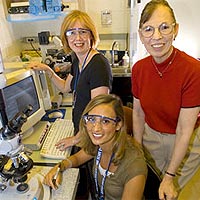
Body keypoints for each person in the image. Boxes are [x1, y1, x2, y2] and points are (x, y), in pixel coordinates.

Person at [131, 0, 200, 199]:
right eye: (148, 29)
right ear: (141, 34)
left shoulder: (193, 70)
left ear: (175, 30)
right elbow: (138, 112)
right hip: (151, 138)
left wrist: (170, 177)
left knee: (171, 191)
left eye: (164, 27)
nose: (157, 37)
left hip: (185, 142)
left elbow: (183, 129)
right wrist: (137, 146)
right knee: (153, 187)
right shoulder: (139, 69)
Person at [29, 10, 112, 150]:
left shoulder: (98, 64)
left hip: (92, 138)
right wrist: (48, 70)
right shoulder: (77, 60)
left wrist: (76, 139)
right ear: (65, 37)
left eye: (83, 32)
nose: (77, 38)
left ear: (91, 35)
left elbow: (98, 113)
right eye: (71, 32)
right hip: (82, 131)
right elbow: (65, 87)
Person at [43, 94, 147, 200]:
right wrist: (59, 167)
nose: (96, 129)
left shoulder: (134, 167)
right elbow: (77, 158)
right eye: (92, 119)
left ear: (118, 124)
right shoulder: (99, 144)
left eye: (105, 121)